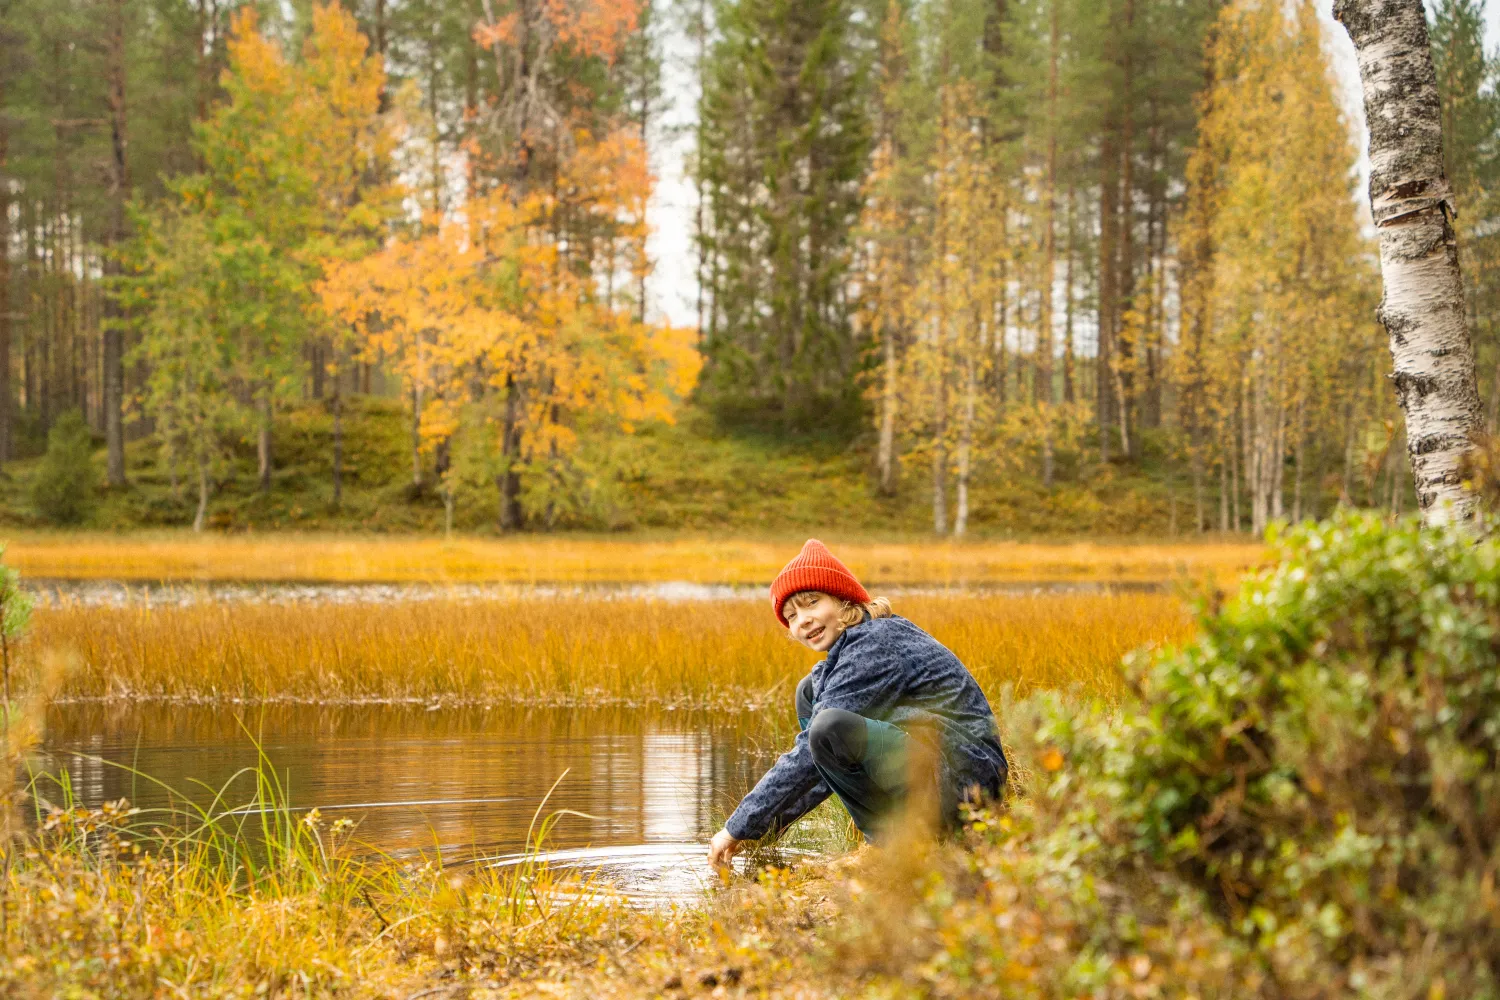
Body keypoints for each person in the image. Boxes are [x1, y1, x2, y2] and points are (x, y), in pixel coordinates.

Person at [707, 539, 1007, 869]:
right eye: (792, 616)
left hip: (967, 786)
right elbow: (823, 765)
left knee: (829, 726)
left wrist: (735, 827)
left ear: (843, 599)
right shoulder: (853, 649)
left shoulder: (875, 644)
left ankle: (893, 844)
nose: (803, 620)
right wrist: (760, 830)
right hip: (941, 768)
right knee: (810, 694)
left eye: (812, 603)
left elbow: (811, 751)